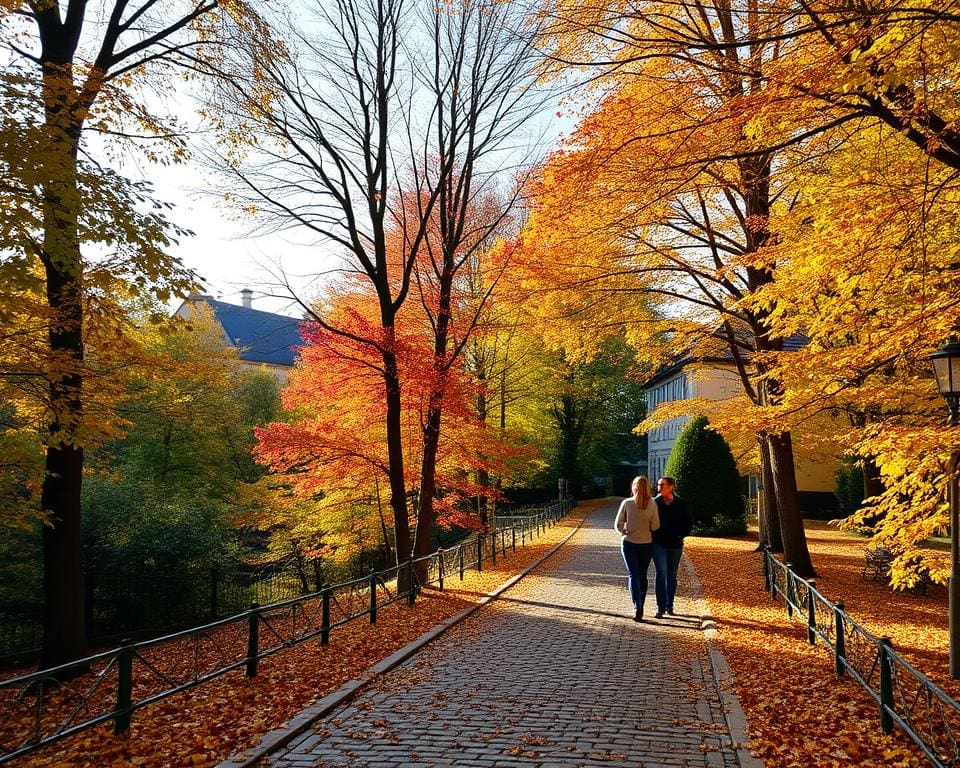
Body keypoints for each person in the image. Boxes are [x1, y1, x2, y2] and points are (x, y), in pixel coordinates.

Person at [614, 476, 660, 622]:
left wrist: (624, 531)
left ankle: (637, 606)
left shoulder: (627, 503)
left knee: (633, 574)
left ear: (634, 487)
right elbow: (655, 525)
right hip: (646, 543)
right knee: (642, 574)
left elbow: (617, 524)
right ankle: (642, 603)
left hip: (629, 543)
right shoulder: (652, 504)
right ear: (648, 487)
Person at [651, 476, 693, 618]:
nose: (659, 487)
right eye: (658, 485)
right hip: (658, 543)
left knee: (671, 575)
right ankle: (660, 607)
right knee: (661, 573)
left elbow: (688, 524)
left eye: (662, 485)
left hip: (675, 544)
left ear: (671, 487)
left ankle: (670, 604)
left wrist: (680, 536)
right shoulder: (654, 503)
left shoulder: (681, 504)